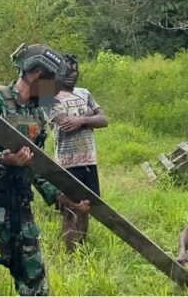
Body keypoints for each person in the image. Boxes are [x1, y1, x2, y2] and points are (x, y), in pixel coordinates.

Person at [0, 43, 90, 296]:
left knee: (34, 280)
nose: (55, 94)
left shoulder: (38, 113)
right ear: (38, 75)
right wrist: (3, 160)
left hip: (18, 207)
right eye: (53, 85)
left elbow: (37, 166)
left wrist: (63, 199)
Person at [48, 54, 107, 252]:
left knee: (87, 207)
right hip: (65, 163)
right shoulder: (47, 94)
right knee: (70, 208)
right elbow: (66, 126)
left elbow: (104, 120)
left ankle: (82, 250)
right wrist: (90, 115)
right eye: (66, 71)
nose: (71, 75)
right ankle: (70, 254)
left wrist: (81, 120)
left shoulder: (85, 92)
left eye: (74, 71)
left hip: (89, 161)